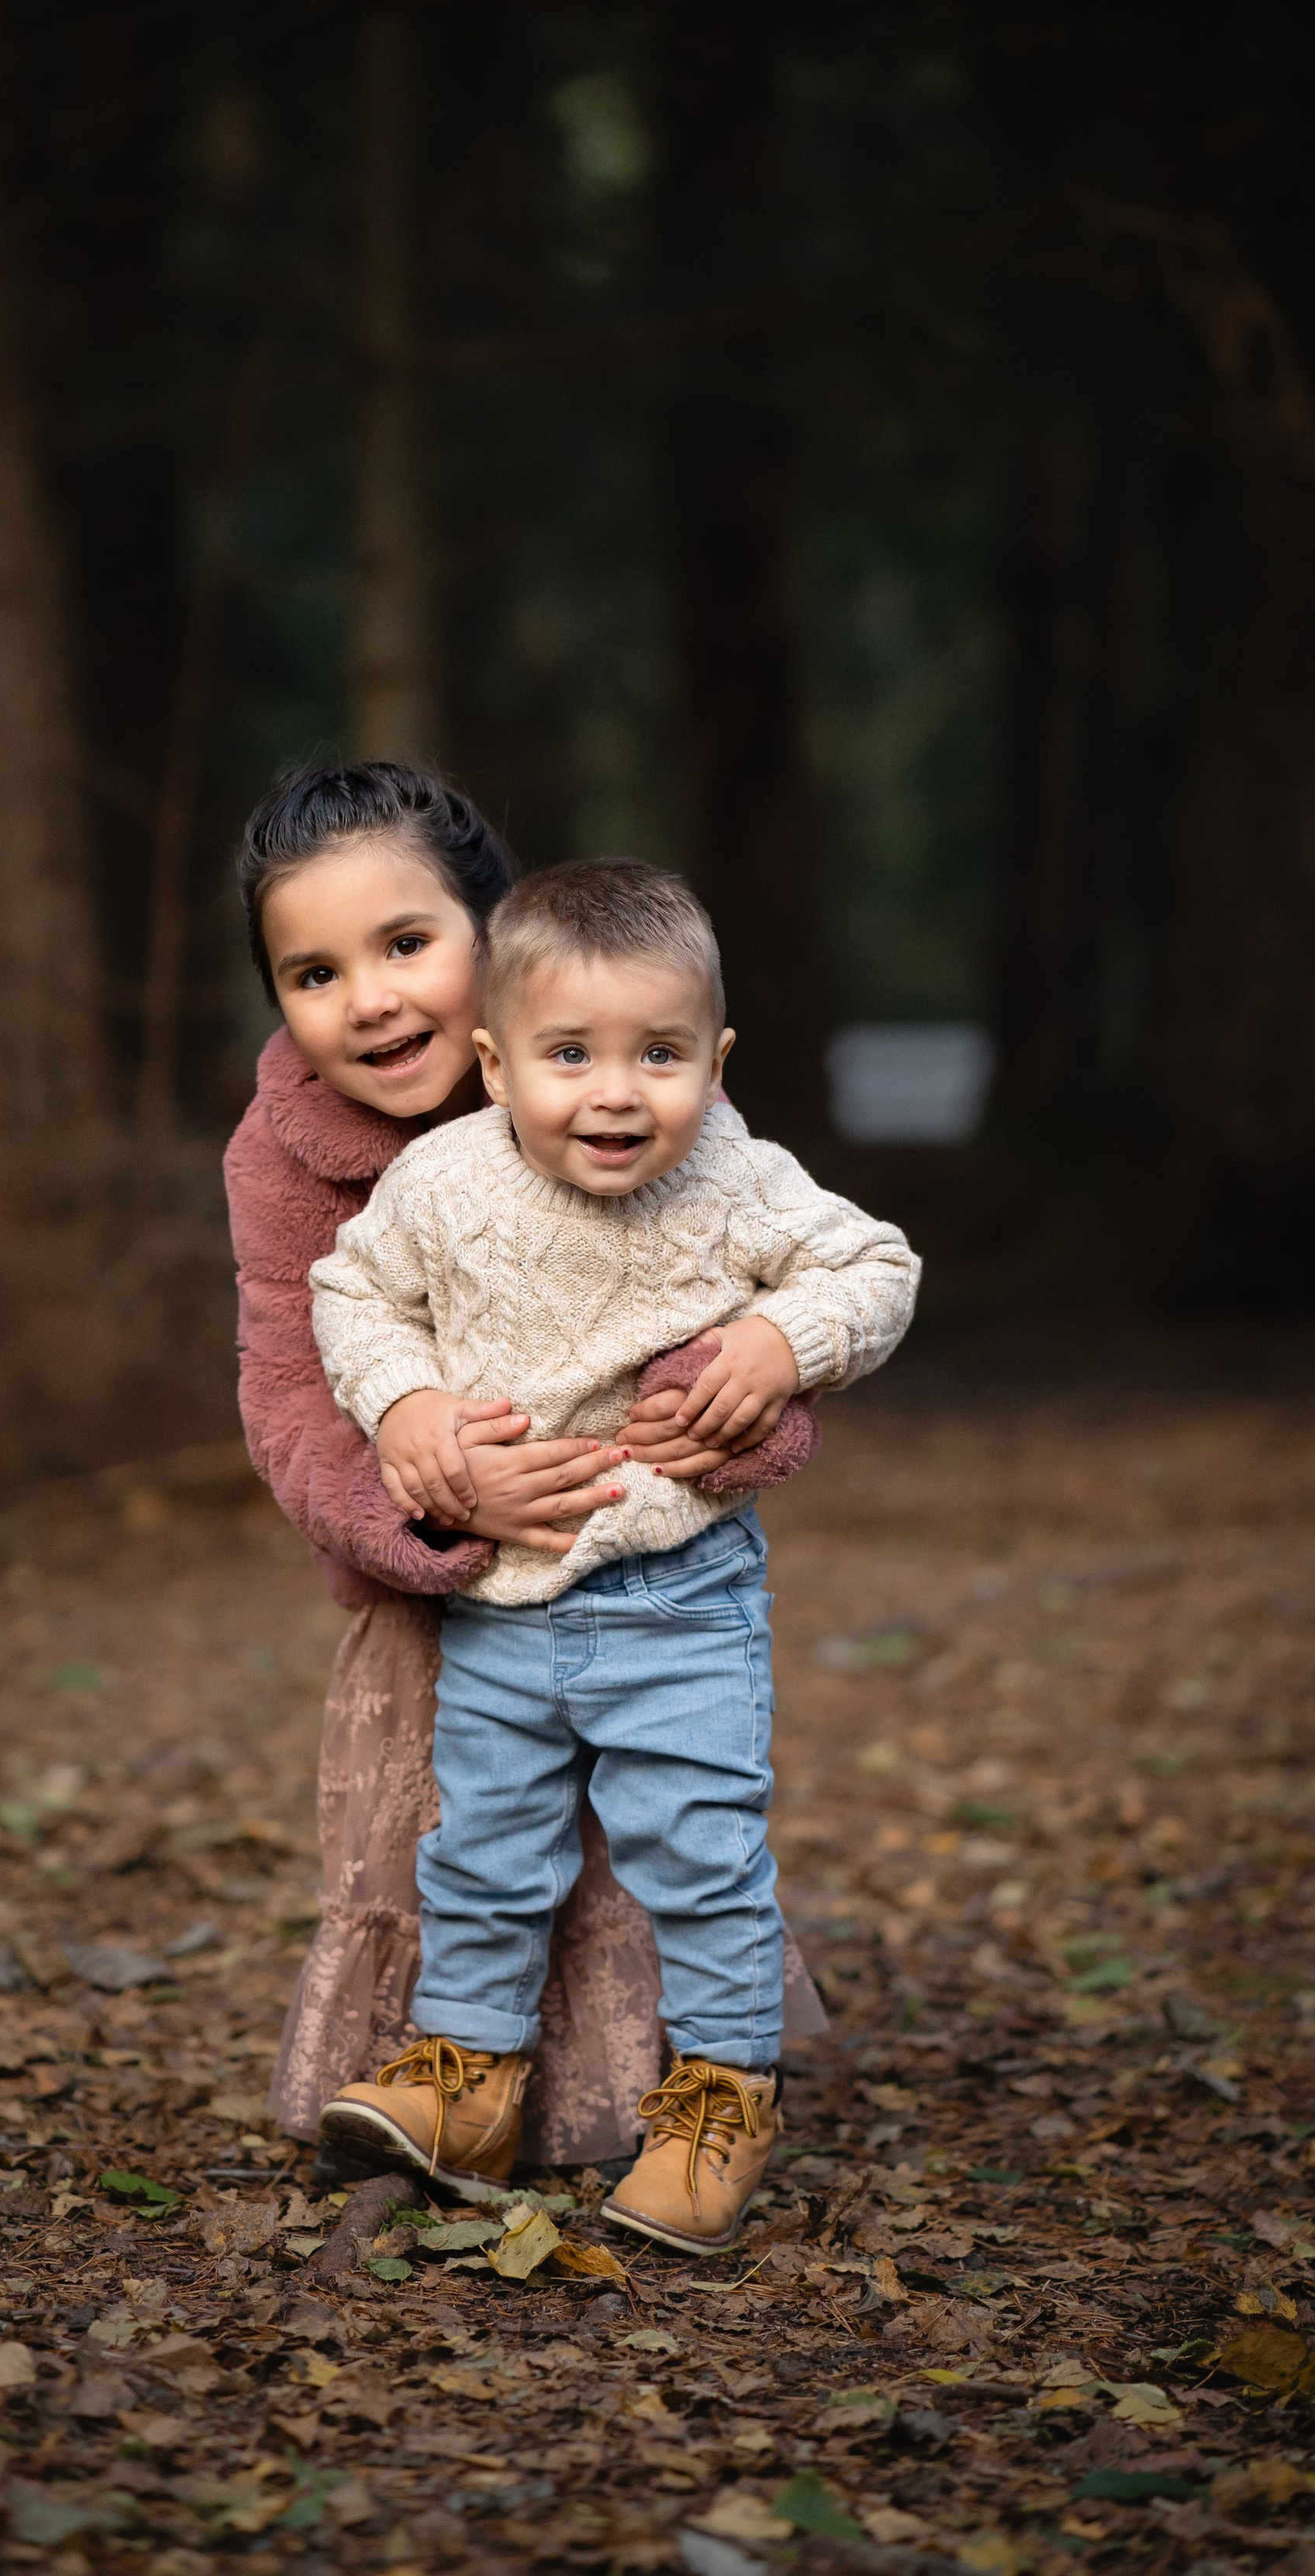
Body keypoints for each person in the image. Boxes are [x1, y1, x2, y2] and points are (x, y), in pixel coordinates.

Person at [223, 762, 830, 2172]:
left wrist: (738, 1411)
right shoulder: (283, 1153)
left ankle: (653, 2102)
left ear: (492, 939)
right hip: (440, 1593)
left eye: (406, 943)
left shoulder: (622, 1075)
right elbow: (287, 1391)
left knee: (656, 1836)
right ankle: (455, 2084)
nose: (370, 999)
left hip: (638, 1567)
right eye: (315, 973)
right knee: (462, 1847)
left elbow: (766, 1301)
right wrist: (424, 1484)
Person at [310, 858, 920, 2251]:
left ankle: (722, 2098)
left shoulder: (737, 1176)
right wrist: (402, 1406)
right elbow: (353, 1293)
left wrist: (781, 1339)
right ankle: (470, 2079)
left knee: (701, 1856)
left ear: (717, 1060)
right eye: (570, 1054)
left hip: (682, 1598)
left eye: (659, 1054)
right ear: (494, 1063)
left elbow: (879, 1266)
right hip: (504, 1604)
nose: (616, 1094)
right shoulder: (443, 1181)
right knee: (480, 1853)